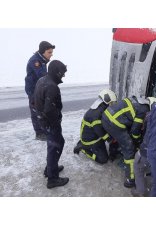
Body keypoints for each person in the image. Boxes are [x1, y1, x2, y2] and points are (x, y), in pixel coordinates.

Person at [102, 96, 156, 188]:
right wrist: (138, 141)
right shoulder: (144, 110)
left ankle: (114, 154)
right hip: (114, 123)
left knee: (121, 139)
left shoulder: (139, 102)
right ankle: (130, 180)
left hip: (106, 117)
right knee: (129, 148)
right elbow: (135, 131)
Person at [34, 60, 69, 189]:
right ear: (56, 72)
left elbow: (35, 100)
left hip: (43, 121)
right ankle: (52, 179)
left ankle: (49, 169)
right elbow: (49, 110)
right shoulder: (52, 86)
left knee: (56, 144)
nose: (63, 76)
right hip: (50, 123)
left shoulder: (42, 80)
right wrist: (56, 122)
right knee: (55, 146)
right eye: (62, 73)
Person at [73, 89, 120, 164]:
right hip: (91, 141)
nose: (112, 105)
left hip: (95, 136)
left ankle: (83, 143)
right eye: (112, 103)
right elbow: (99, 130)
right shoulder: (96, 113)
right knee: (103, 160)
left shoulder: (100, 107)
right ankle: (83, 148)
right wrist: (109, 139)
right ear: (107, 101)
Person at [25, 41, 55, 141]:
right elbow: (42, 76)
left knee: (41, 110)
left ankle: (43, 130)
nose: (51, 54)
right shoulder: (36, 61)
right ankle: (39, 133)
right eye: (49, 52)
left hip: (40, 89)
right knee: (35, 111)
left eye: (51, 52)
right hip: (33, 90)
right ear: (43, 52)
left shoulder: (42, 60)